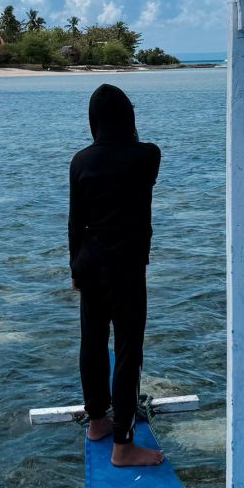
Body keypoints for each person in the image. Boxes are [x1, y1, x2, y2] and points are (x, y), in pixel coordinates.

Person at [69, 84, 165, 467]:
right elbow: (142, 152)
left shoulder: (80, 161)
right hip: (125, 265)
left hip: (88, 261)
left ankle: (97, 422)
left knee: (92, 343)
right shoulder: (146, 156)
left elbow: (75, 220)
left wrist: (74, 268)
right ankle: (123, 445)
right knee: (127, 351)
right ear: (129, 118)